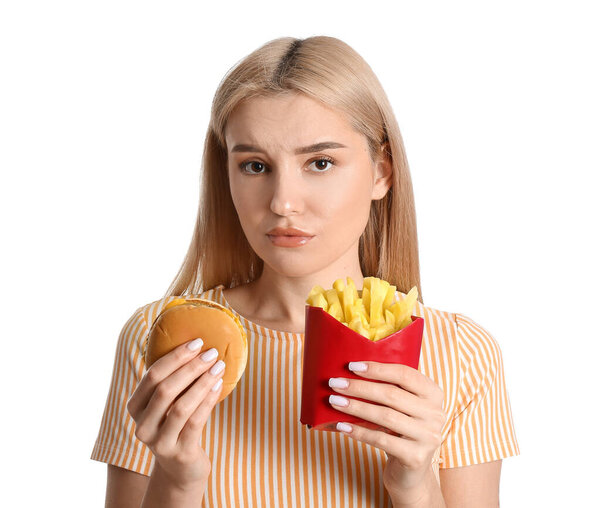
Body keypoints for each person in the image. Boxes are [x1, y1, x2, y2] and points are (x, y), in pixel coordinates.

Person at [91, 36, 520, 507]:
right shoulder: (162, 341)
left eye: (320, 162)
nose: (282, 202)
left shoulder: (462, 355)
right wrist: (177, 480)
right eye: (255, 165)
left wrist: (415, 484)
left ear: (382, 172)